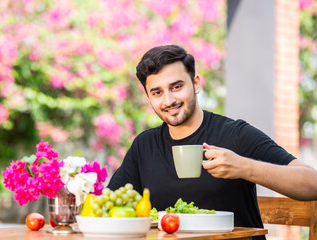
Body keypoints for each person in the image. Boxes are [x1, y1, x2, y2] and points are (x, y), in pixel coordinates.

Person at [107, 45, 317, 238]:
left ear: (196, 84)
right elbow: (107, 207)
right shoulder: (144, 146)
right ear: (148, 97)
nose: (168, 100)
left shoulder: (235, 134)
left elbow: (312, 184)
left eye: (177, 87)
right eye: (157, 92)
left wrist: (244, 167)